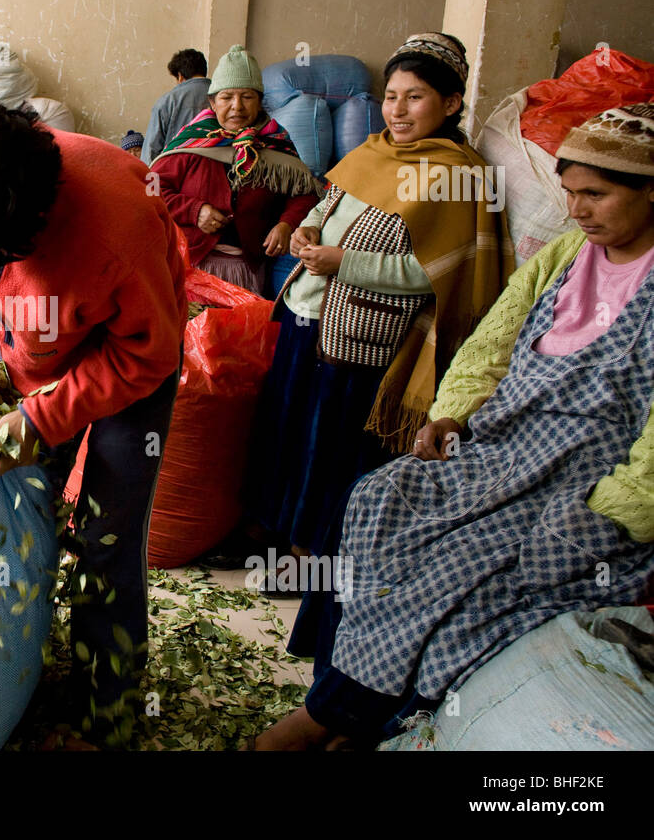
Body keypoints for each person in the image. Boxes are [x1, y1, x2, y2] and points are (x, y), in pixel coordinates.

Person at [257, 103, 654, 750]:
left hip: (581, 476)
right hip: (504, 441)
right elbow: (493, 341)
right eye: (572, 193)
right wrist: (451, 411)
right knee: (379, 500)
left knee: (462, 568)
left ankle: (336, 719)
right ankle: (340, 691)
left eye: (597, 195)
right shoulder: (566, 254)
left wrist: (604, 517)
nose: (578, 209)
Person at [0, 98, 187, 744]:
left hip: (129, 356)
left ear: (18, 232)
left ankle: (108, 713)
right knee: (20, 507)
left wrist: (42, 416)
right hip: (39, 342)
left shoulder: (114, 227)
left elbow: (147, 353)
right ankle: (15, 665)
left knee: (106, 538)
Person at [240, 32, 515, 670]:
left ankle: (313, 563)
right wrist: (310, 229)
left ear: (449, 103)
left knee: (332, 453)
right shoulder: (371, 153)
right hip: (308, 318)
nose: (397, 110)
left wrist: (344, 262)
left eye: (414, 98)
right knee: (290, 436)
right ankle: (284, 544)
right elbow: (331, 203)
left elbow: (433, 275)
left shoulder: (456, 176)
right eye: (391, 96)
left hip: (364, 343)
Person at [150, 44, 320, 292]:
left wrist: (286, 223)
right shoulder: (193, 142)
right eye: (227, 97)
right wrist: (194, 211)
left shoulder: (275, 143)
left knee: (241, 329)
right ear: (213, 102)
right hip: (191, 267)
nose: (237, 106)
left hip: (248, 271)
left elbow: (305, 192)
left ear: (260, 102)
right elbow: (151, 188)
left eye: (247, 97)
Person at [141, 47, 211, 163]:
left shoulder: (167, 101)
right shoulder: (222, 96)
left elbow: (150, 151)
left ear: (180, 76)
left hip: (176, 172)